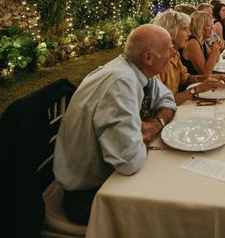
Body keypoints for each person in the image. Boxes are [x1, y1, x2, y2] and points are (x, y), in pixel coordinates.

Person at [53, 25, 177, 224]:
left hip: (110, 177)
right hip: (89, 195)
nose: (173, 54)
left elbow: (168, 100)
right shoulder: (121, 83)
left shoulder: (137, 71)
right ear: (148, 58)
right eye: (169, 49)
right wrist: (138, 137)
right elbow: (129, 163)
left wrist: (156, 123)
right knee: (171, 210)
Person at [153, 10, 225, 105]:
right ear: (172, 32)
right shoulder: (157, 60)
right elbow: (161, 102)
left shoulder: (175, 54)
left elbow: (186, 78)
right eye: (185, 29)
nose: (189, 33)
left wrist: (210, 78)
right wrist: (196, 90)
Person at [181, 10, 221, 75]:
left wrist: (215, 46)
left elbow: (216, 60)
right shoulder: (192, 42)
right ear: (200, 27)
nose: (212, 28)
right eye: (208, 25)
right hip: (191, 83)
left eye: (212, 24)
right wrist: (215, 49)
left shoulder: (202, 41)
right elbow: (205, 73)